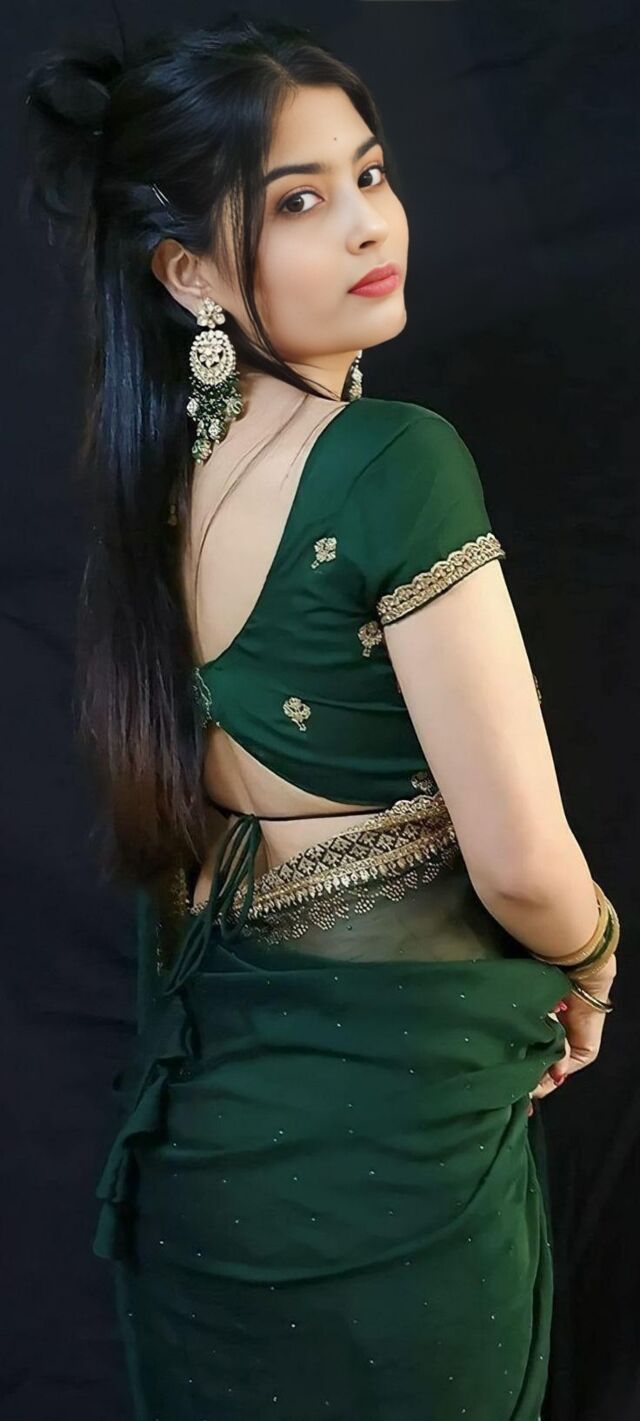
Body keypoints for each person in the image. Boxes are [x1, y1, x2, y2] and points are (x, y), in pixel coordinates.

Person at [24, 16, 619, 1420]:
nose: (366, 222)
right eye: (297, 201)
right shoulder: (391, 460)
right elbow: (523, 862)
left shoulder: (164, 478)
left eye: (371, 172)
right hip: (384, 1167)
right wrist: (595, 956)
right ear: (187, 273)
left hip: (204, 1169)